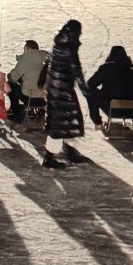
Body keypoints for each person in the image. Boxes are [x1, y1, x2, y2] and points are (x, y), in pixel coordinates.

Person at [43, 20, 92, 168]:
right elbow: (75, 69)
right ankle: (49, 158)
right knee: (62, 124)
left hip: (53, 89)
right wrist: (85, 90)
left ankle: (68, 151)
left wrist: (42, 81)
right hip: (63, 91)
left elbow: (48, 62)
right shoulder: (69, 47)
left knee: (62, 123)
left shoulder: (58, 44)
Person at [86, 44, 133, 128]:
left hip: (111, 107)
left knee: (90, 91)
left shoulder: (106, 68)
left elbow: (90, 83)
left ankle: (97, 122)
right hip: (132, 110)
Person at [6, 39, 47, 119]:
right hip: (45, 98)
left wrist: (9, 75)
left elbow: (13, 78)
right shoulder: (47, 57)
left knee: (11, 85)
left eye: (24, 49)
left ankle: (16, 112)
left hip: (29, 97)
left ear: (29, 49)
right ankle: (39, 111)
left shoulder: (26, 58)